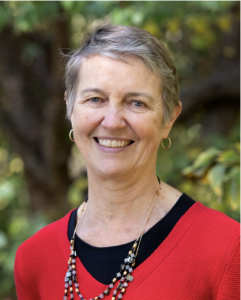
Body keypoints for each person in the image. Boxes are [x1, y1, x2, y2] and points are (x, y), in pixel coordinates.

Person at [14, 23, 240, 300]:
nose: (112, 122)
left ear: (169, 118)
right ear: (70, 108)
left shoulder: (227, 249)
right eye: (95, 99)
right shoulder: (34, 260)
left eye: (137, 103)